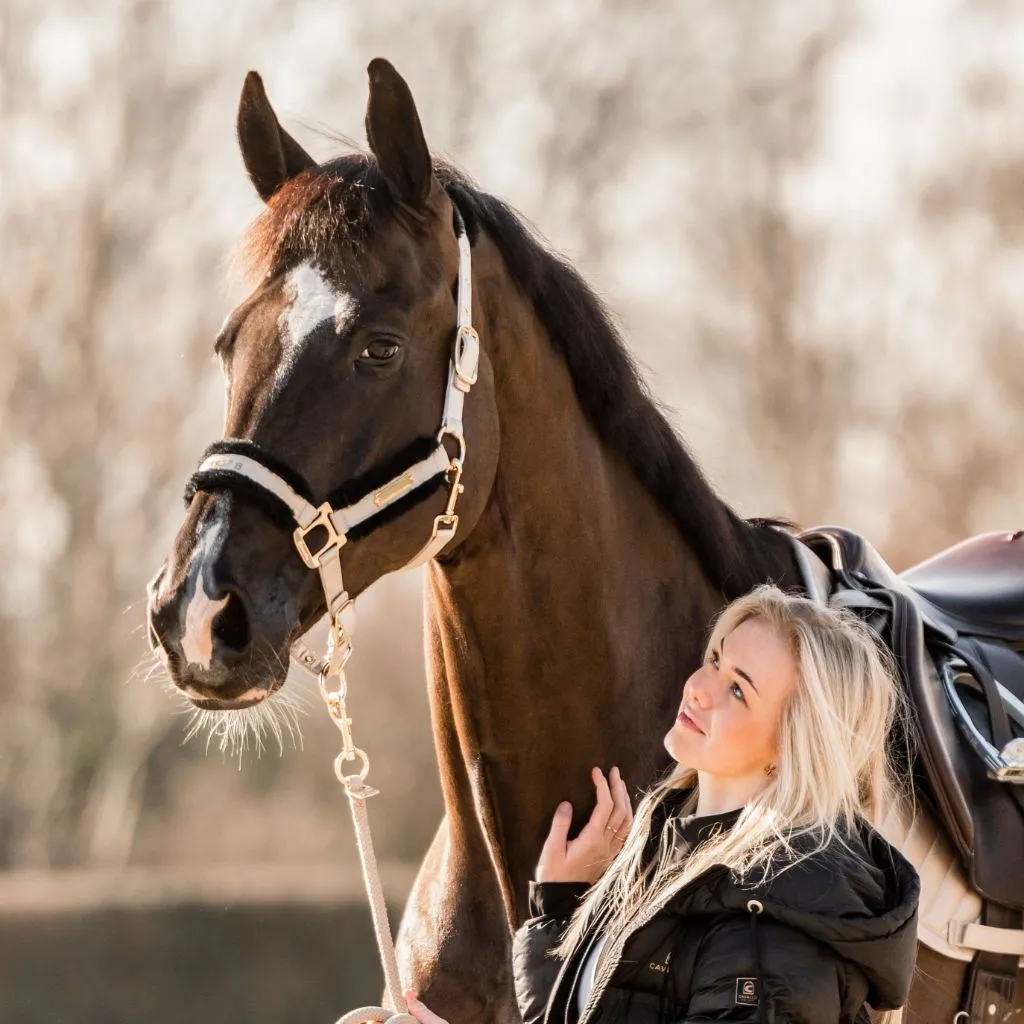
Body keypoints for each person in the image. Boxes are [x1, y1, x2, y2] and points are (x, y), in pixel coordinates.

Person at [406, 585, 921, 1024]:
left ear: (793, 748)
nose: (698, 689)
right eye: (715, 661)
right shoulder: (669, 849)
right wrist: (564, 910)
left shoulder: (776, 927)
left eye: (738, 691)